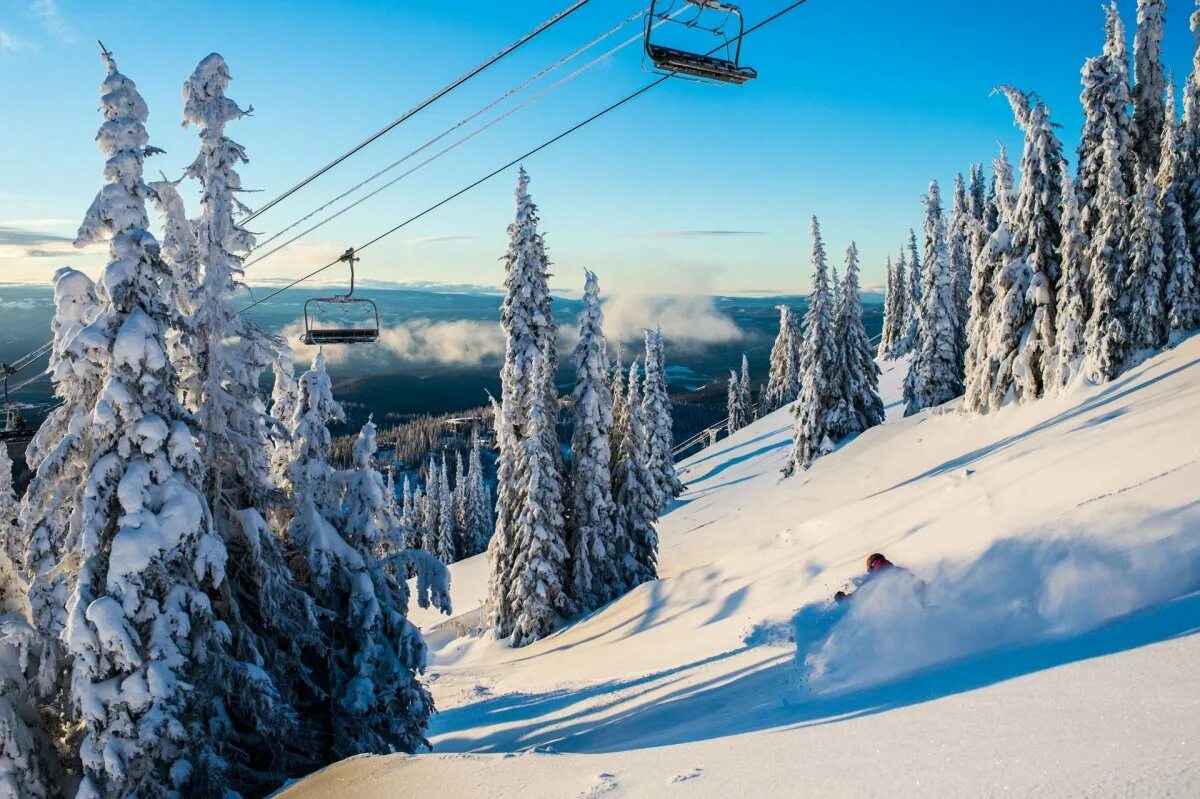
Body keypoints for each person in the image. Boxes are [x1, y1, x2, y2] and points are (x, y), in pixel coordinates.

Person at [833, 553, 901, 603]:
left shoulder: (873, 577)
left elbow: (858, 594)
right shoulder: (899, 570)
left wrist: (843, 599)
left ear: (872, 566)